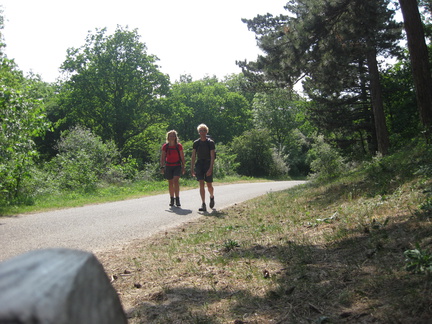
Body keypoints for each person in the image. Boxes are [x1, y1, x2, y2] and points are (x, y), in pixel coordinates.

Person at [191, 124, 215, 212]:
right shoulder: (196, 143)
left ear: (206, 131)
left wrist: (210, 168)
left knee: (209, 184)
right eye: (201, 131)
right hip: (199, 164)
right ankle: (203, 203)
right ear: (198, 132)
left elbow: (212, 156)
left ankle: (212, 197)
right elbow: (193, 156)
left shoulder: (210, 143)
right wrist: (192, 168)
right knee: (201, 183)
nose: (202, 132)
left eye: (204, 130)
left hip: (208, 163)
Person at [160, 130, 186, 207]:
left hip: (177, 165)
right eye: (170, 136)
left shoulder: (179, 146)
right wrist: (162, 167)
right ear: (168, 137)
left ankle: (177, 199)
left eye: (173, 135)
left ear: (175, 137)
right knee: (170, 182)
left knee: (176, 181)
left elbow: (182, 157)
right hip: (168, 166)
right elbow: (162, 157)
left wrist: (183, 167)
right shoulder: (165, 146)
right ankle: (172, 198)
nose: (172, 137)